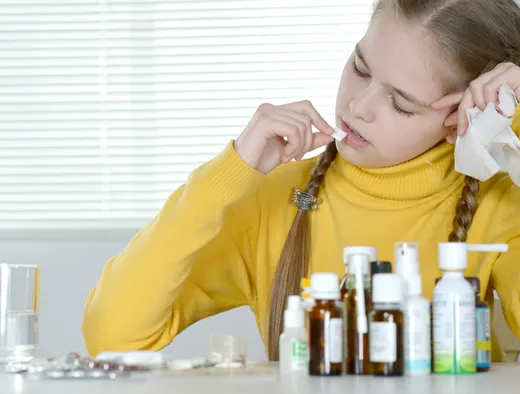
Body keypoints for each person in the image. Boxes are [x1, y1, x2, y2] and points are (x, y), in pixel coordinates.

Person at [81, 0, 520, 362]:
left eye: (401, 104)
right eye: (361, 68)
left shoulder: (500, 203)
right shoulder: (276, 199)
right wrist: (225, 178)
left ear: (466, 115)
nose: (357, 105)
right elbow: (112, 335)